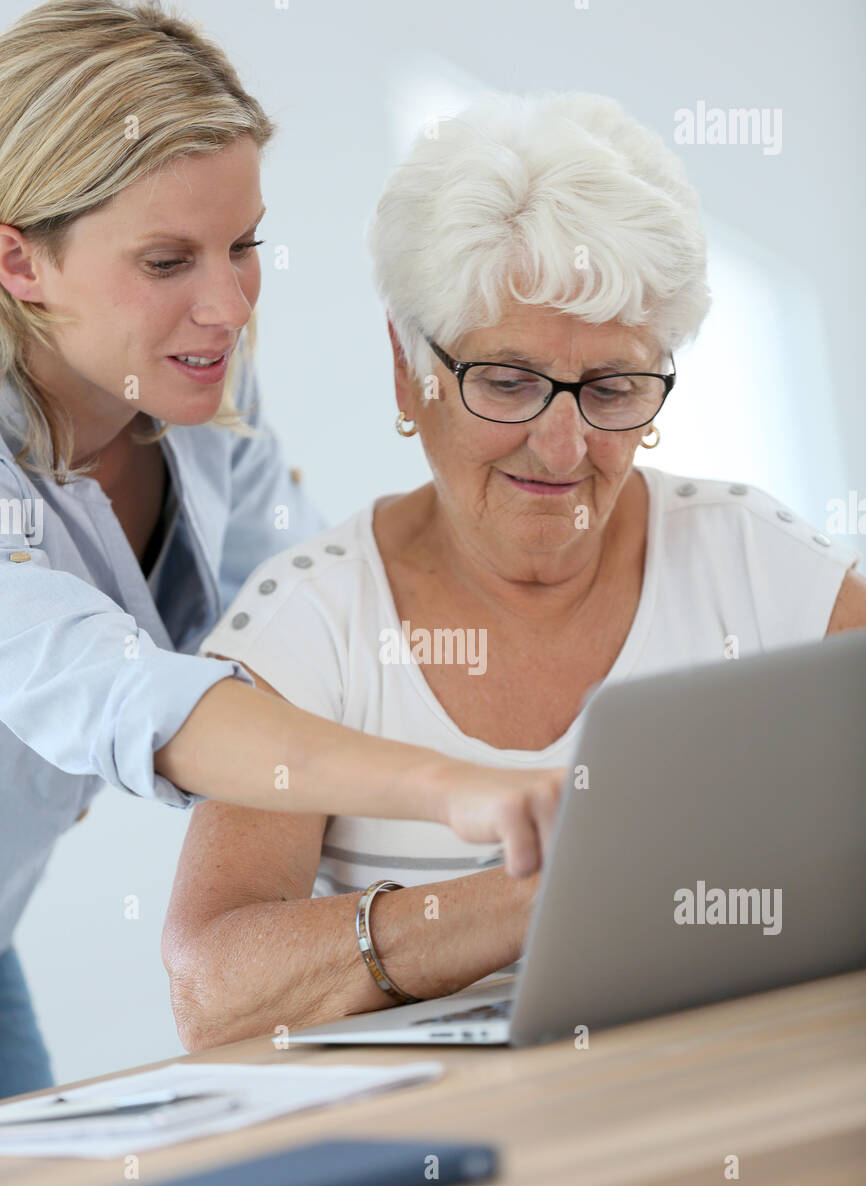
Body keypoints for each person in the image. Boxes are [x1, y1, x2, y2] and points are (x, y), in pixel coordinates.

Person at [161, 91, 866, 1050]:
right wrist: (548, 897)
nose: (564, 446)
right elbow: (211, 987)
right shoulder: (313, 618)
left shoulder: (757, 564)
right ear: (408, 368)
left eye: (613, 387)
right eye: (509, 381)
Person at [0, 6, 561, 1098]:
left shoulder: (191, 382)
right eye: (166, 259)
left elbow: (299, 626)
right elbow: (130, 698)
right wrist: (455, 787)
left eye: (243, 245)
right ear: (17, 258)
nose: (226, 306)